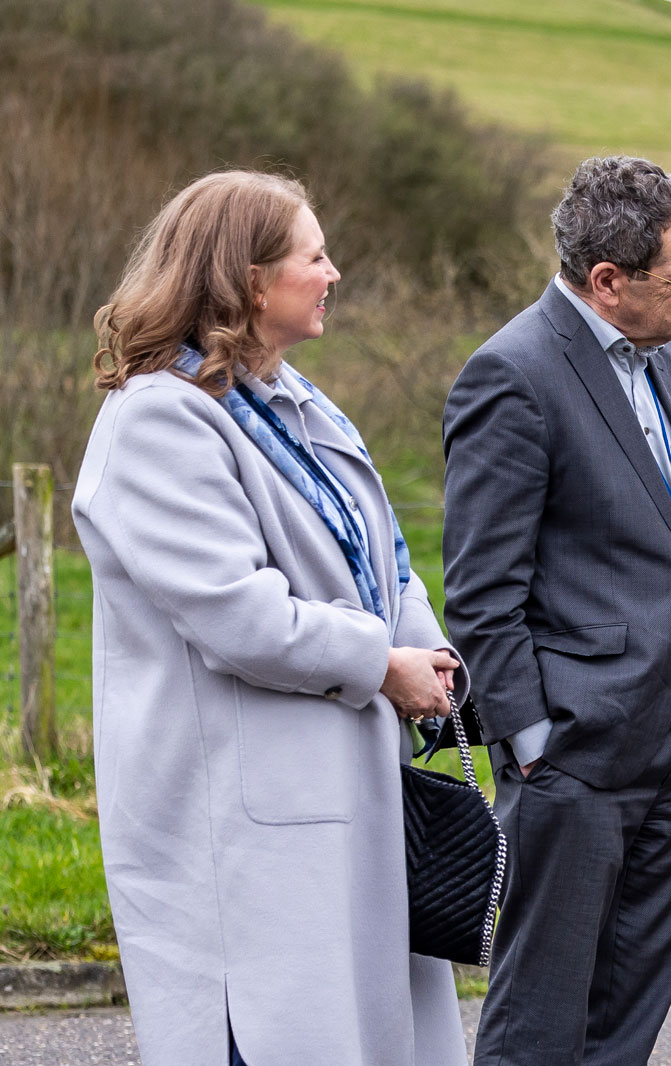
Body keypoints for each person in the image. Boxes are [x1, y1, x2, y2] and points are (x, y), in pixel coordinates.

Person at [72, 170, 469, 1066]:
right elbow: (239, 615)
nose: (334, 272)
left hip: (342, 795)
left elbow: (380, 557)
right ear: (250, 279)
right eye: (314, 256)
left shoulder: (293, 400)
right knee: (275, 1036)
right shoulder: (158, 421)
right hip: (244, 824)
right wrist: (383, 666)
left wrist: (425, 648)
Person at [442, 155, 671, 1066]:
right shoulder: (511, 375)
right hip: (575, 758)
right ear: (608, 283)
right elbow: (483, 590)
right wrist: (534, 746)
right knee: (540, 1022)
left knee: (627, 1022)